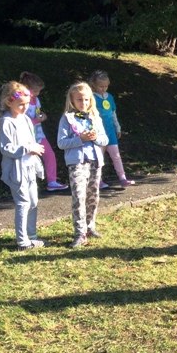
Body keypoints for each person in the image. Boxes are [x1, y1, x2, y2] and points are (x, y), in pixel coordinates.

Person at [57, 82, 109, 248]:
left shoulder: (95, 117)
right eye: (79, 99)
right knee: (79, 196)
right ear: (72, 100)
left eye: (86, 99)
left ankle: (90, 226)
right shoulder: (67, 119)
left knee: (93, 195)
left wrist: (95, 138)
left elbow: (105, 139)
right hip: (77, 163)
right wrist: (80, 139)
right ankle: (80, 233)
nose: (83, 103)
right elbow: (61, 143)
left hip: (95, 161)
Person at [0, 81, 46, 250]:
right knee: (23, 203)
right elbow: (6, 148)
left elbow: (31, 140)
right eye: (21, 104)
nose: (25, 107)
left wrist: (35, 151)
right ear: (9, 102)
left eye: (27, 103)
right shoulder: (6, 121)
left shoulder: (25, 119)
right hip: (17, 171)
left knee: (33, 202)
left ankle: (31, 235)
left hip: (30, 167)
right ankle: (22, 241)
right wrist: (27, 149)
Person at [19, 72, 69, 192]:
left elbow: (38, 112)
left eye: (38, 91)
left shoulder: (36, 100)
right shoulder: (21, 102)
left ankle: (52, 181)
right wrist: (37, 120)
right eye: (35, 91)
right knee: (28, 160)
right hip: (27, 137)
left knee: (50, 155)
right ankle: (27, 185)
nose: (37, 93)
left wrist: (42, 116)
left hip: (39, 134)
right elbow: (21, 121)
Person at [88, 70, 135, 189]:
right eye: (101, 86)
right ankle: (98, 181)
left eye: (106, 86)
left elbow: (113, 114)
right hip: (99, 133)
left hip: (111, 132)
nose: (104, 89)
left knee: (116, 156)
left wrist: (117, 127)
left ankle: (123, 178)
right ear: (94, 85)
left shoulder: (110, 97)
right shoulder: (91, 98)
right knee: (99, 157)